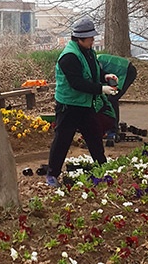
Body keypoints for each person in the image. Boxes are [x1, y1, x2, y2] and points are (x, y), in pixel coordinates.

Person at [46, 17, 118, 187]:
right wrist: (102, 89)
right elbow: (77, 83)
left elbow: (94, 72)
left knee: (94, 136)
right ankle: (52, 174)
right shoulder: (69, 57)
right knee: (62, 139)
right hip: (69, 105)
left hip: (85, 105)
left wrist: (105, 76)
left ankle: (102, 167)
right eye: (90, 38)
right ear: (80, 39)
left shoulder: (88, 52)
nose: (93, 40)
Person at [97, 54, 138, 143]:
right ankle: (106, 126)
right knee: (105, 98)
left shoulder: (95, 62)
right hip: (114, 73)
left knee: (112, 99)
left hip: (126, 72)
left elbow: (98, 78)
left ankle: (113, 130)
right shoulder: (91, 62)